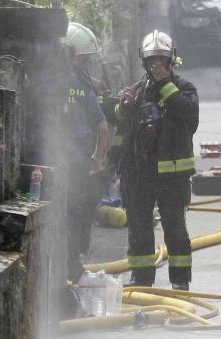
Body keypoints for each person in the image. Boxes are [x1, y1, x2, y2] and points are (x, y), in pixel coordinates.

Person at [116, 30, 198, 290]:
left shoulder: (184, 88)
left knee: (175, 230)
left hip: (172, 177)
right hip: (139, 175)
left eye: (161, 59)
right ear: (144, 60)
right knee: (139, 229)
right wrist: (124, 106)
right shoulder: (138, 91)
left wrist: (165, 84)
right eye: (151, 60)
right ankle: (141, 279)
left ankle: (181, 280)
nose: (156, 65)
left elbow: (188, 116)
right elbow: (122, 126)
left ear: (170, 59)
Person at [63, 23, 111, 282]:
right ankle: (75, 268)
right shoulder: (83, 87)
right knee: (78, 214)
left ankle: (68, 269)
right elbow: (103, 128)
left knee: (66, 215)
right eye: (84, 59)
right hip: (80, 163)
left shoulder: (49, 82)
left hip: (53, 162)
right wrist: (97, 158)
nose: (86, 63)